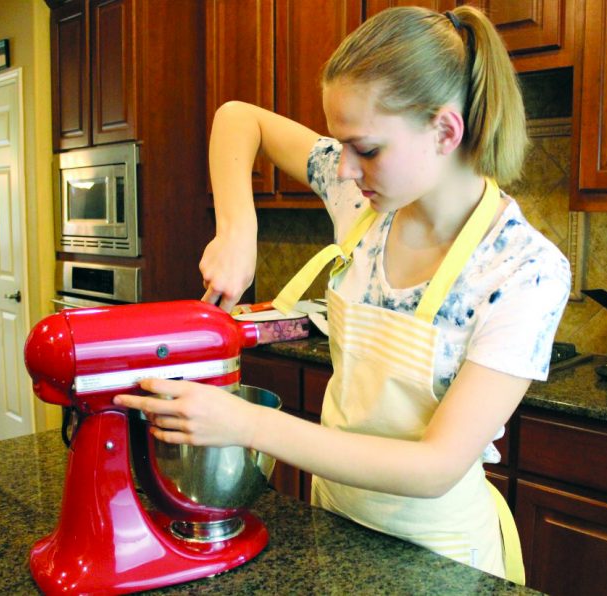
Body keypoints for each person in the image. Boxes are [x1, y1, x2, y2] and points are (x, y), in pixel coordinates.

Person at [115, 5, 570, 582]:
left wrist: (244, 425)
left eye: (367, 149)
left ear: (445, 131)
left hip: (439, 557)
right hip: (333, 526)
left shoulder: (524, 270)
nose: (345, 168)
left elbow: (436, 466)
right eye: (339, 146)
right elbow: (238, 118)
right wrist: (237, 229)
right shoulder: (361, 203)